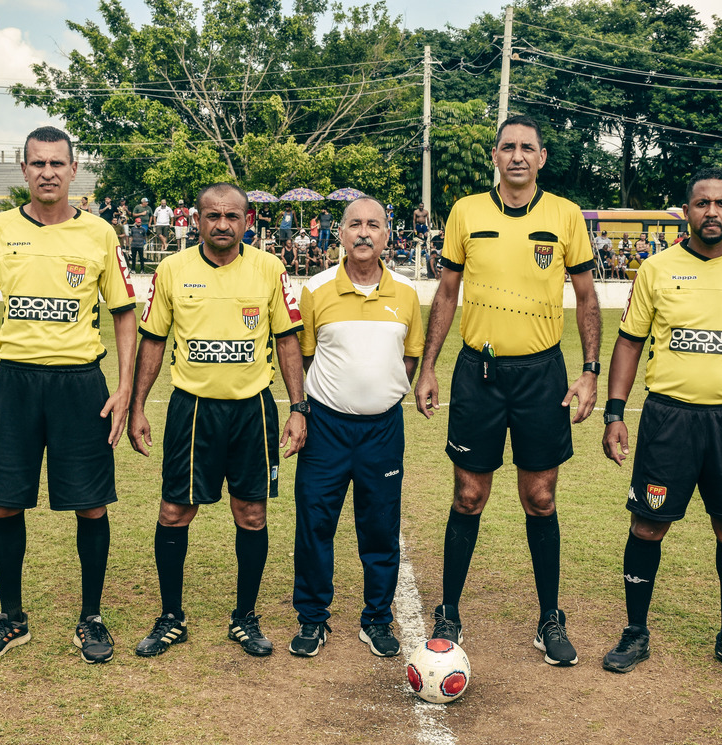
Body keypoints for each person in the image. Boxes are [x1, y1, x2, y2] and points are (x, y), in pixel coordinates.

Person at [0, 125, 138, 665]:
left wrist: (124, 387)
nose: (47, 172)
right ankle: (12, 617)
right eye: (37, 163)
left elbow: (125, 313)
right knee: (4, 501)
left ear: (74, 170)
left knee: (91, 505)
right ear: (23, 171)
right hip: (16, 383)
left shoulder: (100, 234)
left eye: (57, 163)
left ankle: (91, 617)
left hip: (81, 386)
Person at [600, 167, 722, 680]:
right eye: (701, 203)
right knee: (648, 524)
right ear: (686, 211)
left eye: (721, 203)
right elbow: (628, 341)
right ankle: (635, 632)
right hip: (669, 418)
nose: (711, 211)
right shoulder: (656, 269)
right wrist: (616, 413)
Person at [414, 114, 601, 666]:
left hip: (542, 375)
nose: (517, 155)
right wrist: (429, 367)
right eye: (507, 147)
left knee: (539, 498)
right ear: (494, 156)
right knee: (468, 496)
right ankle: (448, 612)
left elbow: (587, 298)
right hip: (480, 374)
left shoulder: (566, 216)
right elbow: (446, 294)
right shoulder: (466, 212)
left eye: (528, 148)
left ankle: (550, 618)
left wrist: (589, 370)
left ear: (542, 158)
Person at [129, 181, 306, 659]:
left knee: (251, 514)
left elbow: (288, 339)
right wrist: (138, 406)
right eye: (213, 216)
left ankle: (245, 617)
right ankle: (171, 617)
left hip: (253, 410)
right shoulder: (172, 269)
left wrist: (298, 407)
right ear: (196, 220)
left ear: (248, 221)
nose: (223, 224)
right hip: (192, 410)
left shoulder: (270, 269)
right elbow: (152, 340)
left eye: (232, 216)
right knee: (174, 512)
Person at [289, 196, 424, 658]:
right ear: (339, 233)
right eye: (355, 225)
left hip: (383, 431)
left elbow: (411, 357)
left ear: (388, 235)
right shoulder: (317, 288)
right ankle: (312, 619)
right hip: (325, 428)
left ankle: (377, 619)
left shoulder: (406, 292)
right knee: (314, 524)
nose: (364, 233)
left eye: (374, 225)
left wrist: (380, 393)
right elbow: (304, 356)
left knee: (380, 528)